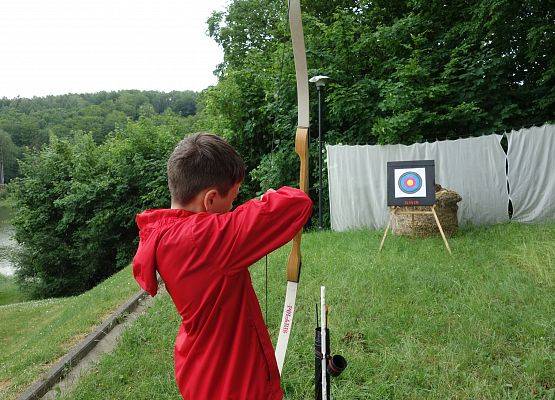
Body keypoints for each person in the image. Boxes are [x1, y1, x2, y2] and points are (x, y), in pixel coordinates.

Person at [132, 132, 312, 399]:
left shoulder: (169, 233)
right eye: (233, 199)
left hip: (202, 371)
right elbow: (296, 203)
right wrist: (269, 197)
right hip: (231, 383)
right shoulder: (202, 239)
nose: (233, 208)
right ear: (210, 200)